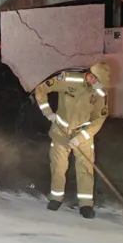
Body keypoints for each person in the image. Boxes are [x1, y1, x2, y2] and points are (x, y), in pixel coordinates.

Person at [33, 62, 111, 219]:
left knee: (85, 170)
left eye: (100, 83)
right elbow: (41, 89)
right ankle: (56, 198)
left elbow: (99, 119)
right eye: (96, 80)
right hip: (61, 132)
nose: (97, 84)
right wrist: (48, 112)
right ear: (91, 75)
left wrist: (81, 137)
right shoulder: (68, 79)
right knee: (58, 167)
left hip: (83, 135)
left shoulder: (100, 93)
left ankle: (86, 205)